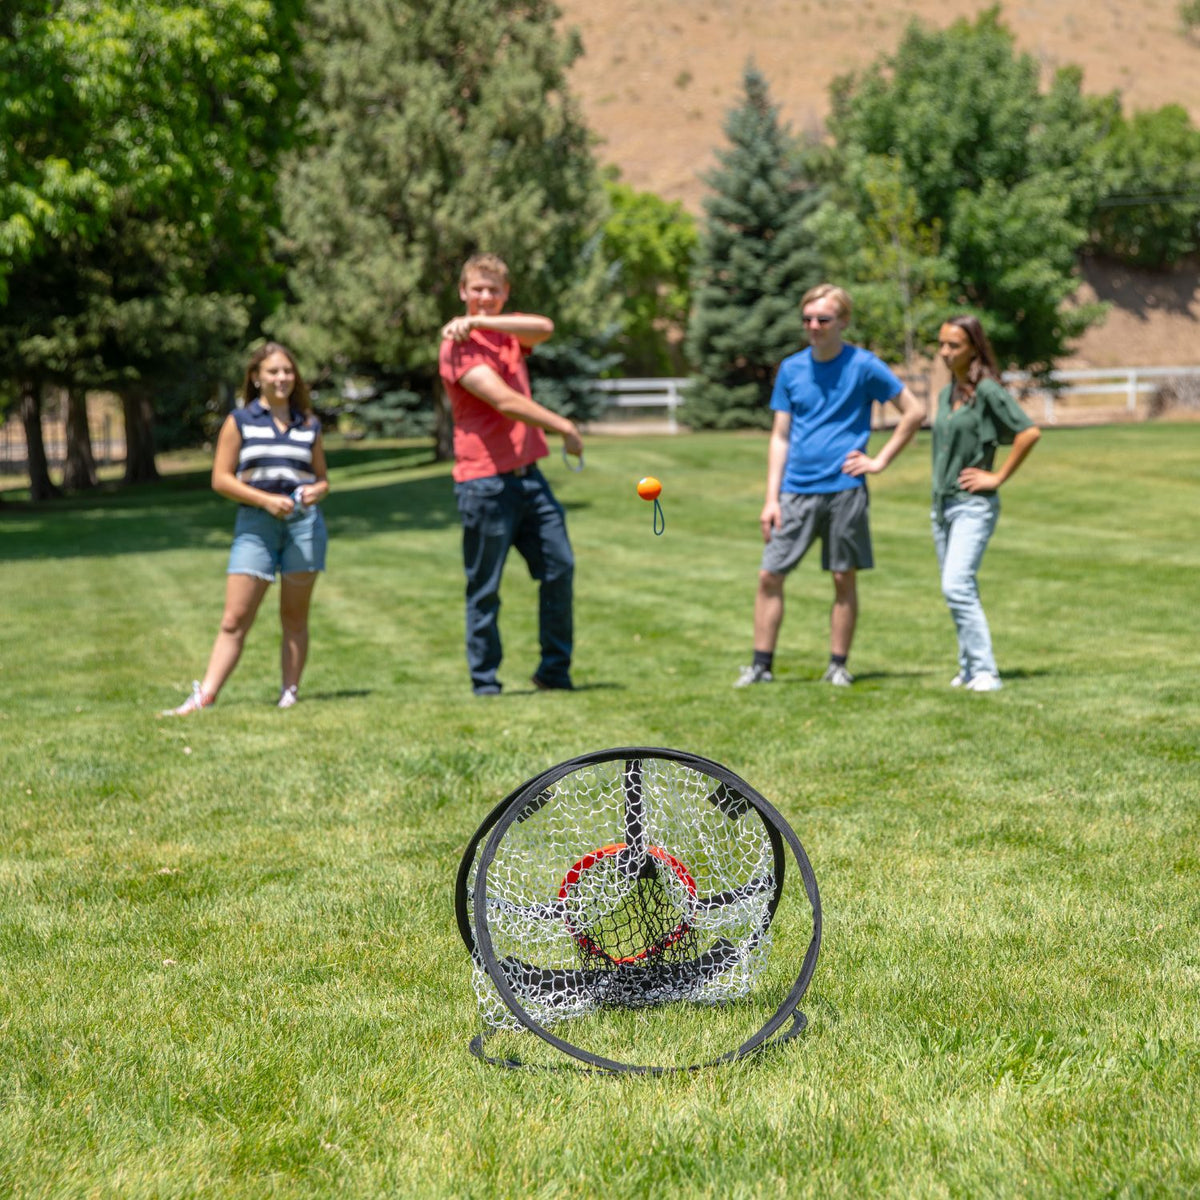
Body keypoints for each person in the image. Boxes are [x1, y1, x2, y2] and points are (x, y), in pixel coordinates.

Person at [735, 283, 924, 688]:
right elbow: (780, 436)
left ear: (843, 321)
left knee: (843, 578)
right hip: (795, 490)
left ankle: (838, 665)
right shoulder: (791, 368)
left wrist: (880, 460)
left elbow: (914, 411)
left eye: (823, 319)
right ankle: (760, 666)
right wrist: (771, 498)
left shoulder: (864, 365)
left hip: (845, 488)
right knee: (770, 575)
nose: (814, 326)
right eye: (807, 319)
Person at [438, 253, 583, 696]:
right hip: (484, 481)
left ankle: (553, 673)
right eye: (477, 289)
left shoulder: (502, 336)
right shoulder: (456, 345)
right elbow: (504, 400)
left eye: (494, 290)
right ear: (463, 291)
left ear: (505, 294)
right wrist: (564, 426)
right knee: (486, 586)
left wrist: (484, 323)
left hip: (528, 477)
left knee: (560, 566)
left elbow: (544, 327)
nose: (485, 297)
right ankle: (486, 684)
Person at [162, 342, 329, 715]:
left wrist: (315, 492)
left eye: (287, 370)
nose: (281, 378)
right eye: (272, 371)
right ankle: (204, 696)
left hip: (304, 527)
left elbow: (322, 479)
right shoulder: (240, 421)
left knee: (295, 616)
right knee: (234, 618)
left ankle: (290, 693)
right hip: (256, 525)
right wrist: (265, 500)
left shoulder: (309, 423)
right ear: (256, 377)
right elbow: (221, 479)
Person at [931, 316, 1041, 692]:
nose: (945, 352)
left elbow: (1029, 431)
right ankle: (968, 667)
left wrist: (996, 477)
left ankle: (985, 672)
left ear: (974, 348)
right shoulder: (948, 392)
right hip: (942, 505)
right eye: (942, 344)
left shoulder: (988, 391)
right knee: (959, 587)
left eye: (954, 346)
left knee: (956, 585)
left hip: (972, 505)